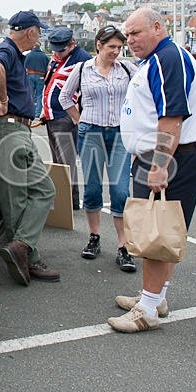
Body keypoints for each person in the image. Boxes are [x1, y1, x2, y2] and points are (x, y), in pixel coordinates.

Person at [110, 7, 196, 333]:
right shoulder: (157, 59)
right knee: (159, 231)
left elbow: (171, 118)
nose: (130, 40)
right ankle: (155, 297)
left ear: (157, 26)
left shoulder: (168, 58)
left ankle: (148, 308)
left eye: (136, 33)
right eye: (128, 35)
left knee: (157, 233)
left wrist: (159, 166)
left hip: (170, 157)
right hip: (163, 156)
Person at [0, 10, 59, 286]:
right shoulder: (7, 51)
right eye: (39, 34)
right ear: (31, 32)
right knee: (18, 200)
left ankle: (23, 248)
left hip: (14, 130)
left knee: (41, 190)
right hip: (8, 129)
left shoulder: (11, 52)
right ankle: (28, 254)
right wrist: (3, 98)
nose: (39, 41)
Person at [58, 26, 138, 272]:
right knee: (92, 187)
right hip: (91, 132)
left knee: (121, 190)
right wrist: (78, 119)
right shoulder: (82, 69)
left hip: (119, 134)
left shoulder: (127, 69)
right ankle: (94, 237)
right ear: (99, 45)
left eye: (119, 47)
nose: (116, 51)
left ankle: (124, 246)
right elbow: (64, 97)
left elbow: (143, 94)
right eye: (112, 47)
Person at [41, 27, 90, 210]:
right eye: (54, 49)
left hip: (65, 116)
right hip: (52, 115)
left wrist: (78, 116)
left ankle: (70, 201)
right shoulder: (57, 58)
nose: (57, 53)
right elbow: (50, 83)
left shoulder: (83, 59)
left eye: (61, 49)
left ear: (72, 44)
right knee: (57, 161)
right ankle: (63, 198)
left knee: (66, 162)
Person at [24, 43, 48, 117]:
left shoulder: (28, 55)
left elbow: (24, 66)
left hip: (30, 76)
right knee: (39, 95)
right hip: (40, 76)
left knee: (30, 94)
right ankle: (37, 113)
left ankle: (30, 111)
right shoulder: (45, 56)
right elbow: (48, 67)